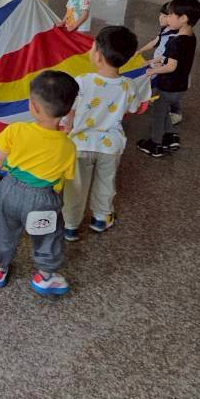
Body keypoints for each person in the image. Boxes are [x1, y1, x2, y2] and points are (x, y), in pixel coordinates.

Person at [0, 70, 79, 296]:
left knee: (3, 229)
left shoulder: (16, 130)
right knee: (48, 236)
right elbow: (63, 179)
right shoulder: (68, 146)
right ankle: (45, 276)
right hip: (43, 198)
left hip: (10, 189)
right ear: (68, 111)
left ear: (33, 107)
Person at [61, 26, 142, 241]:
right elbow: (133, 108)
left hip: (80, 144)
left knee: (75, 186)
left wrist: (67, 126)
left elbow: (70, 110)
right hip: (111, 146)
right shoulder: (128, 85)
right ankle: (100, 218)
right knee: (106, 183)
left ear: (97, 56)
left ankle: (70, 225)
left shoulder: (82, 81)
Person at [138, 0, 200, 158]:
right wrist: (150, 61)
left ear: (183, 18)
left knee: (158, 114)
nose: (168, 18)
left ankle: (155, 144)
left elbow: (170, 66)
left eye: (171, 15)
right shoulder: (191, 37)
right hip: (181, 86)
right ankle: (170, 136)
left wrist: (152, 71)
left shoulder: (175, 41)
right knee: (164, 109)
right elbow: (169, 57)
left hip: (168, 86)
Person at [137, 2, 182, 125]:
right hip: (158, 65)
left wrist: (150, 61)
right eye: (160, 15)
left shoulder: (175, 37)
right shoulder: (165, 30)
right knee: (155, 83)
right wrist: (140, 51)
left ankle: (176, 112)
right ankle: (152, 99)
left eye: (165, 16)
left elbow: (166, 57)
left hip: (167, 68)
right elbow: (155, 42)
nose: (161, 18)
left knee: (170, 91)